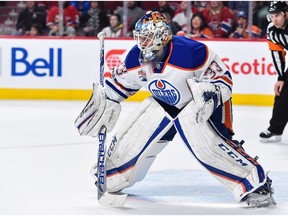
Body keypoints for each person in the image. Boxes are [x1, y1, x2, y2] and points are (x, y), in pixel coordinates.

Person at [75, 11, 276, 208]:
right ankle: (112, 175)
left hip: (201, 106)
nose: (141, 43)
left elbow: (223, 79)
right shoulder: (135, 58)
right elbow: (117, 87)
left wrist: (210, 94)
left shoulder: (190, 52)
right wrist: (104, 104)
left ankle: (256, 185)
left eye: (146, 37)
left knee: (206, 144)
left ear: (162, 36)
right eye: (139, 38)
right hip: (167, 103)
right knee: (138, 130)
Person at [259, 1, 288, 142]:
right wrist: (281, 77)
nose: (274, 19)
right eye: (271, 16)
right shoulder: (271, 30)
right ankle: (275, 129)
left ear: (285, 14)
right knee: (282, 93)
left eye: (277, 15)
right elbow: (277, 54)